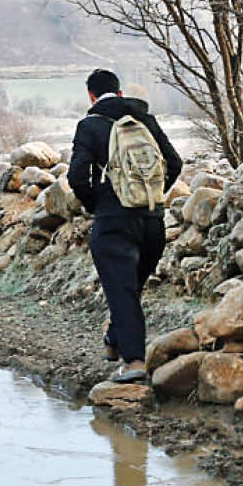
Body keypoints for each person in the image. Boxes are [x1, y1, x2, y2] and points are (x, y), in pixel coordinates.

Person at [67, 68, 182, 383]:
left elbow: (76, 176)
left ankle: (133, 362)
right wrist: (152, 197)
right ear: (119, 93)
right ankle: (114, 339)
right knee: (129, 290)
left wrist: (100, 203)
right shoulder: (146, 120)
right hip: (153, 223)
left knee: (122, 292)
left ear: (91, 95)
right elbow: (175, 164)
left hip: (115, 222)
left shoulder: (89, 125)